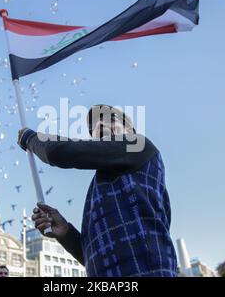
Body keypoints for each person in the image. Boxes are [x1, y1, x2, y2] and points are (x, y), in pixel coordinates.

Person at [22, 104, 177, 277]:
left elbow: (59, 152)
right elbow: (94, 256)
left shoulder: (138, 145)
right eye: (94, 127)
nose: (100, 125)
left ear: (130, 130)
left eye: (110, 119)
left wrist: (31, 138)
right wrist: (65, 232)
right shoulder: (99, 186)